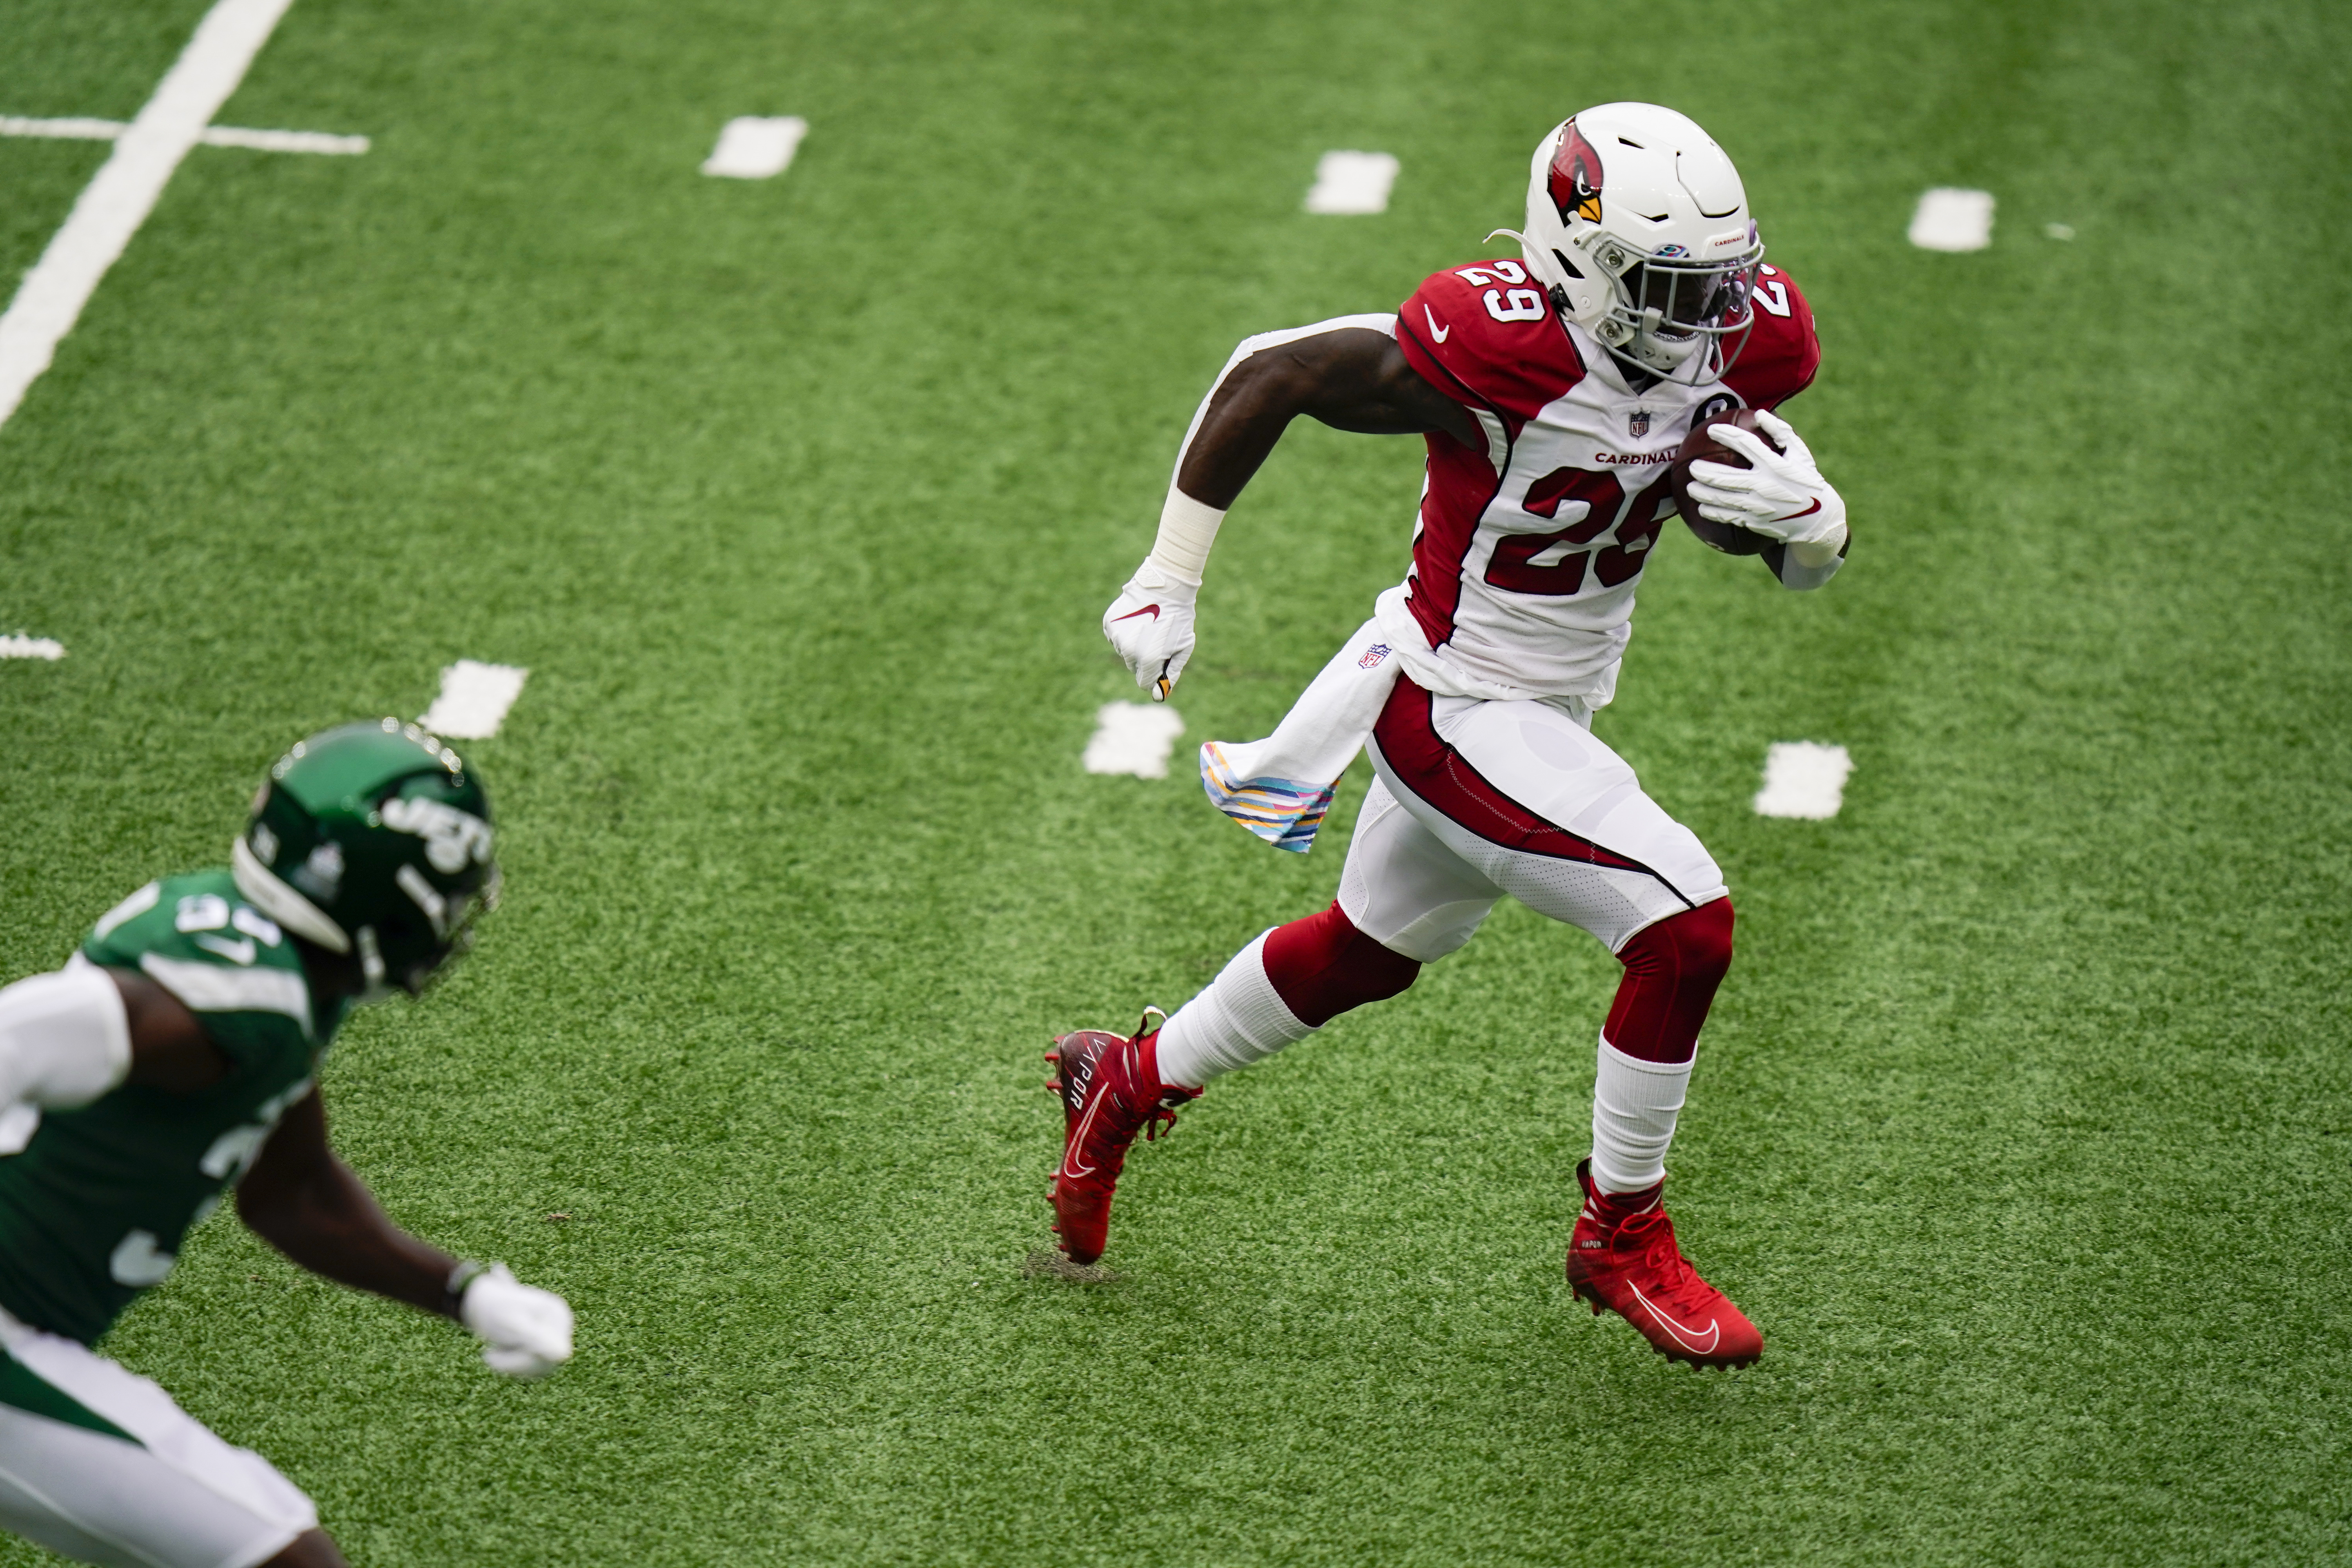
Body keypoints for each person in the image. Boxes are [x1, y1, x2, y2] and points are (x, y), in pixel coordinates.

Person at [1050, 103, 1850, 1370]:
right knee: (1684, 924)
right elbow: (1275, 367)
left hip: (1545, 703)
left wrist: (1815, 535)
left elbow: (1745, 531)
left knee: (1369, 952)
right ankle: (1620, 1232)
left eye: (1718, 283)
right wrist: (1169, 577)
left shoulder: (1740, 339)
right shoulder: (1501, 343)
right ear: (1577, 258)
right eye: (1666, 286)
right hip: (1453, 703)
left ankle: (1130, 1079)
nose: (1703, 319)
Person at [0, 720, 573, 1566]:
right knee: (284, 1555)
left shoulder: (279, 983)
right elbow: (22, 1035)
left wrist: (465, 1292)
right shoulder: (240, 991)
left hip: (31, 1327)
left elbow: (291, 1191)